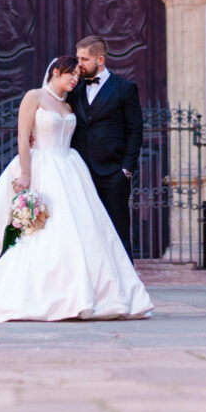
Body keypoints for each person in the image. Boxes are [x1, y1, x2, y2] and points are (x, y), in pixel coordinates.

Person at [0, 55, 152, 322]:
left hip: (70, 170)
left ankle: (83, 293)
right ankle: (29, 294)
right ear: (56, 72)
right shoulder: (34, 97)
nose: (75, 79)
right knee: (34, 232)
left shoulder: (69, 106)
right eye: (71, 75)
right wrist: (26, 173)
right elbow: (23, 136)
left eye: (78, 76)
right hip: (40, 166)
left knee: (80, 234)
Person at [67, 35, 143, 259]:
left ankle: (125, 286)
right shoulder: (74, 89)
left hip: (112, 173)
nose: (79, 63)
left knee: (118, 231)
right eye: (78, 58)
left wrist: (126, 170)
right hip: (79, 172)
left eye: (84, 59)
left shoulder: (125, 88)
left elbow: (135, 130)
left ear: (100, 59)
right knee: (84, 231)